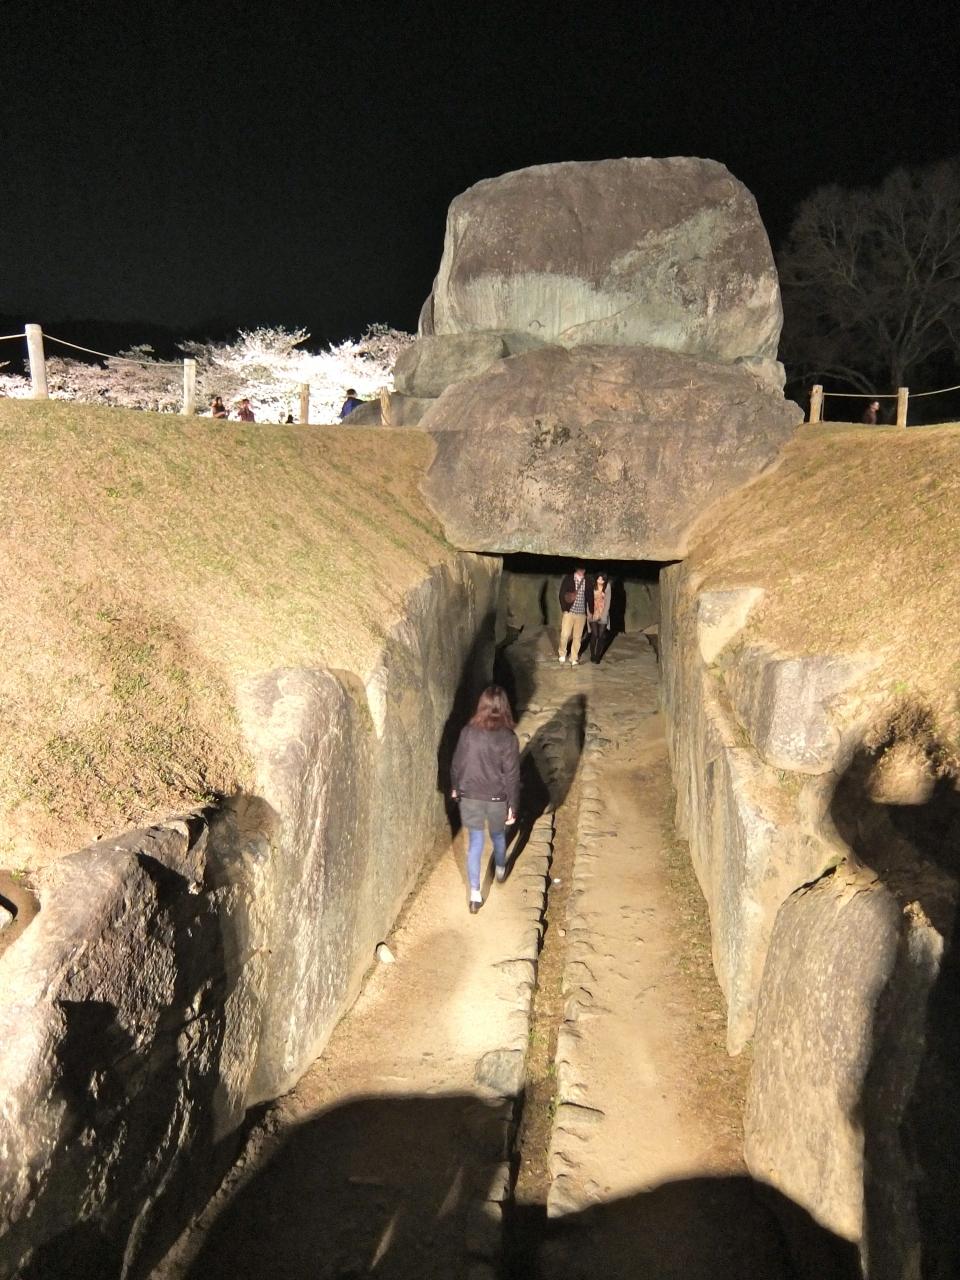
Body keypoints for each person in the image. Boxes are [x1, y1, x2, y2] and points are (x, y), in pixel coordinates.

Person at [450, 686, 520, 914]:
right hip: (497, 797)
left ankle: (474, 894)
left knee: (475, 843)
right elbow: (512, 776)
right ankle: (499, 868)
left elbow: (457, 764)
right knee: (498, 835)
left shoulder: (468, 732)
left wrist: (455, 786)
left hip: (471, 796)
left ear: (481, 705)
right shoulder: (508, 738)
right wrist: (512, 806)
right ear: (505, 707)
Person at [557, 565, 593, 666]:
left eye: (584, 568)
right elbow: (562, 594)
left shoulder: (587, 580)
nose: (582, 570)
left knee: (577, 637)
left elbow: (590, 597)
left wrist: (591, 611)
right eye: (580, 568)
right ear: (576, 568)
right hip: (570, 612)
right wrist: (564, 609)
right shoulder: (568, 579)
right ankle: (562, 653)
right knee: (565, 635)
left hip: (581, 614)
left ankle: (574, 657)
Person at [588, 571, 612, 663]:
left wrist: (604, 615)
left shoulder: (607, 586)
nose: (600, 581)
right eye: (599, 579)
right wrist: (589, 613)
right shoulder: (592, 585)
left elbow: (608, 601)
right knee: (595, 634)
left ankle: (598, 656)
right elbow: (588, 600)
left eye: (602, 580)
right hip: (593, 612)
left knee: (601, 636)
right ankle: (592, 655)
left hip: (603, 612)